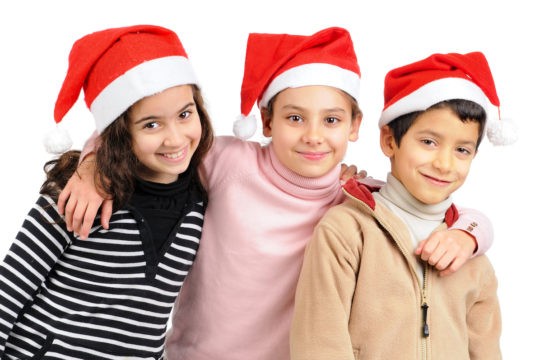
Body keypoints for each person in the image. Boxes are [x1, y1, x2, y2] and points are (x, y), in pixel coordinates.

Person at [56, 28, 494, 360]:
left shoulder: (353, 194)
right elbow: (156, 138)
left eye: (331, 121)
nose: (313, 137)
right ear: (266, 123)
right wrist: (93, 162)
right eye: (294, 118)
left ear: (356, 127)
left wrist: (471, 234)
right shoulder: (226, 161)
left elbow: (436, 212)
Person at [0, 24, 214, 359]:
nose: (175, 138)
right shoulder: (76, 190)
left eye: (185, 114)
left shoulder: (202, 196)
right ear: (118, 133)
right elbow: (11, 286)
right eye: (152, 124)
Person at [290, 51, 510, 359]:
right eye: (429, 142)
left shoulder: (472, 255)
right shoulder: (347, 230)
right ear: (389, 141)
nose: (445, 164)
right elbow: (319, 341)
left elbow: (485, 350)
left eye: (462, 149)